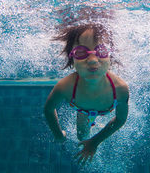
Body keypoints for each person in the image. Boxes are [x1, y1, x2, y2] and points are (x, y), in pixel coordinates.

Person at [44, 21, 129, 165]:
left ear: (110, 56)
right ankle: (91, 123)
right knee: (81, 137)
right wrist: (58, 134)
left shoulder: (120, 88)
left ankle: (96, 126)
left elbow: (120, 119)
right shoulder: (65, 86)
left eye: (101, 51)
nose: (92, 60)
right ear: (72, 58)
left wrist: (95, 142)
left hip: (101, 108)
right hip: (82, 109)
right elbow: (48, 109)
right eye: (81, 52)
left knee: (89, 138)